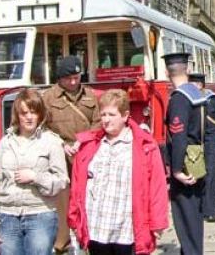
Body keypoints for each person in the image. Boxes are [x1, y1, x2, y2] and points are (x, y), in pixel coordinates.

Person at [68, 89, 168, 255]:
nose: (106, 120)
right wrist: (74, 217)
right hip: (97, 224)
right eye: (103, 114)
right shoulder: (90, 145)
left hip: (126, 225)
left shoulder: (144, 146)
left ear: (125, 115)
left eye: (111, 115)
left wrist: (157, 222)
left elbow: (157, 187)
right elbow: (77, 185)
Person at [0, 88, 68, 255]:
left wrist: (36, 177)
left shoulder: (51, 142)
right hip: (7, 215)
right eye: (24, 112)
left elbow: (61, 180)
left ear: (40, 114)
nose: (29, 117)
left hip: (40, 214)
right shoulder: (6, 143)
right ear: (17, 115)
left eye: (33, 112)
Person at [42, 55, 100, 254]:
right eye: (69, 79)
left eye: (77, 77)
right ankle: (62, 242)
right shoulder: (47, 98)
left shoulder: (90, 95)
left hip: (86, 155)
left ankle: (87, 238)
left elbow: (99, 122)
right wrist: (61, 144)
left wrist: (83, 140)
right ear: (60, 78)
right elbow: (42, 127)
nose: (74, 82)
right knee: (62, 202)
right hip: (60, 160)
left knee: (87, 199)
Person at [163, 53, 207, 255]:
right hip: (198, 158)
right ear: (187, 70)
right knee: (194, 220)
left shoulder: (179, 98)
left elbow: (178, 136)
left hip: (186, 164)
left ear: (167, 72)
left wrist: (177, 170)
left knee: (185, 220)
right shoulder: (196, 94)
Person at [188, 73, 215, 223]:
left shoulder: (214, 100)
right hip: (193, 140)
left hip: (210, 139)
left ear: (202, 85)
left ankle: (210, 209)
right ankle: (197, 205)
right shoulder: (188, 100)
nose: (194, 87)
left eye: (196, 84)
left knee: (211, 173)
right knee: (194, 171)